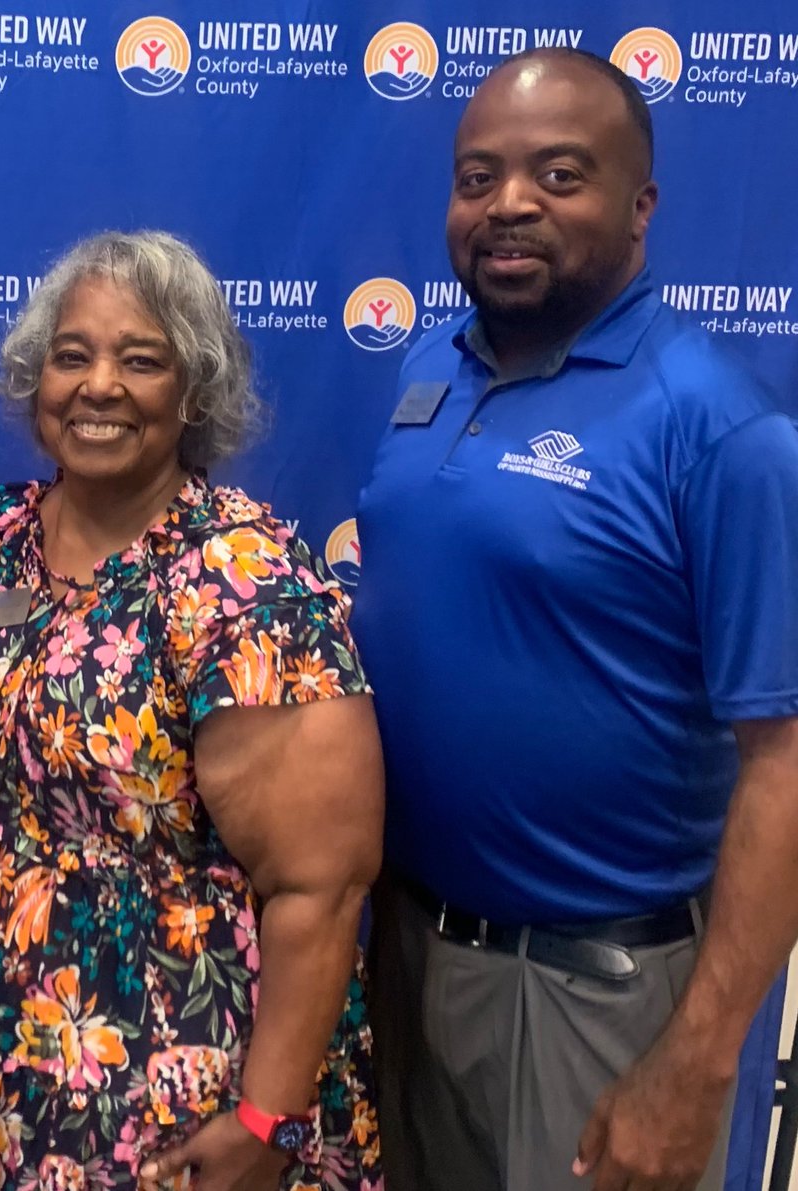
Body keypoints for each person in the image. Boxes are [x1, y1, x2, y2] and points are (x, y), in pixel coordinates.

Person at [353, 48, 798, 1191]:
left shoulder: (719, 427)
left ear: (640, 206)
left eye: (560, 175)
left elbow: (786, 764)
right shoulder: (428, 373)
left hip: (598, 992)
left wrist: (696, 1064)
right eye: (478, 177)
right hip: (408, 958)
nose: (510, 204)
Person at [0, 230, 385, 1190]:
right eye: (72, 355)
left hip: (165, 1071)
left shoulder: (244, 579)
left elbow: (322, 888)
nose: (98, 384)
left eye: (140, 359)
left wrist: (264, 1116)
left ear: (192, 393)